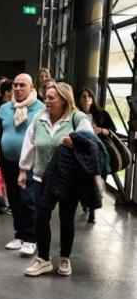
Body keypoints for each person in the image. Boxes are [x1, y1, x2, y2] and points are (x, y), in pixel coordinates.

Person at [19, 82, 93, 277]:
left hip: (69, 179)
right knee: (41, 216)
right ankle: (43, 259)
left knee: (66, 218)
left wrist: (74, 142)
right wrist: (22, 170)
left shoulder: (78, 119)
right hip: (42, 177)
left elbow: (91, 146)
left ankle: (64, 258)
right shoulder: (39, 118)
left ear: (64, 100)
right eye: (46, 97)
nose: (47, 101)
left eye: (52, 98)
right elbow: (29, 144)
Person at [0, 73, 45, 256]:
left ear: (31, 88)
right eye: (15, 85)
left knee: (28, 200)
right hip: (9, 162)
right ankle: (20, 235)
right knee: (15, 201)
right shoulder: (5, 108)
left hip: (31, 163)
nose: (17, 88)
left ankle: (31, 238)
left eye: (22, 85)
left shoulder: (41, 109)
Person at [78, 87, 117, 223]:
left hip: (99, 152)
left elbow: (113, 130)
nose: (87, 98)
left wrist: (101, 130)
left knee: (97, 181)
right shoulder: (75, 114)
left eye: (89, 96)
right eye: (84, 96)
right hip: (81, 152)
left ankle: (92, 211)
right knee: (83, 181)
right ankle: (85, 203)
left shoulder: (102, 114)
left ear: (93, 98)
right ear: (79, 99)